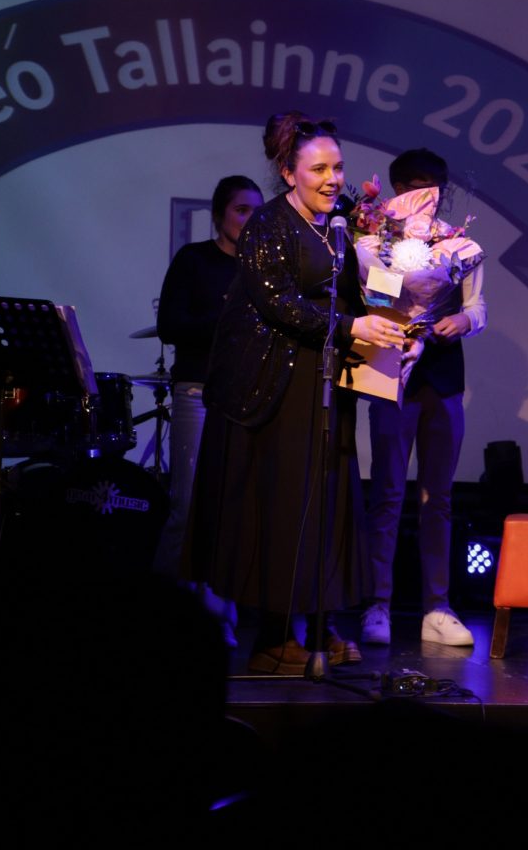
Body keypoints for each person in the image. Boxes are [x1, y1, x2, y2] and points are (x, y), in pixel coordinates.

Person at [191, 111, 403, 675]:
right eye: (319, 169)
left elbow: (364, 292)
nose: (333, 179)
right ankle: (274, 634)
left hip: (326, 382)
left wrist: (399, 325)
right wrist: (351, 326)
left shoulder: (342, 224)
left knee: (328, 501)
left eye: (338, 167)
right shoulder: (268, 224)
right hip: (273, 387)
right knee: (282, 505)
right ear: (289, 173)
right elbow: (277, 302)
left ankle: (322, 619)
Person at [360, 148, 487, 647]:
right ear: (396, 190)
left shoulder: (458, 245)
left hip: (444, 378)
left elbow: (478, 306)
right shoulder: (377, 243)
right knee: (388, 493)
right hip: (392, 374)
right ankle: (378, 603)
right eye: (415, 187)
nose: (426, 197)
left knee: (439, 497)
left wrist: (462, 320)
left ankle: (437, 606)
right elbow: (377, 303)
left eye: (435, 188)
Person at [153, 175, 264, 644]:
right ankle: (166, 604)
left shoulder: (265, 269)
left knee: (235, 506)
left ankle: (219, 604)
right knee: (187, 504)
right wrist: (229, 317)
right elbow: (170, 325)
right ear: (219, 215)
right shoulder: (195, 260)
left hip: (248, 399)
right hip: (198, 392)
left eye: (257, 212)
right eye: (241, 210)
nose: (250, 220)